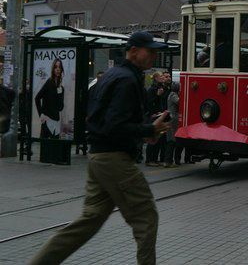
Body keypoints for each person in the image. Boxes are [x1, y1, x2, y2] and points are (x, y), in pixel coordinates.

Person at [29, 31, 172, 265]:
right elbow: (115, 125)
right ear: (134, 51)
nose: (154, 56)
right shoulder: (127, 79)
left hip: (98, 157)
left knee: (89, 219)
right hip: (115, 160)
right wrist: (149, 130)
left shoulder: (111, 75)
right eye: (150, 51)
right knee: (146, 218)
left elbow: (102, 119)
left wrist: (145, 131)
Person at [34, 58, 65, 139]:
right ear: (53, 69)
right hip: (47, 121)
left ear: (61, 69)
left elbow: (60, 108)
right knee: (45, 147)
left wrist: (59, 93)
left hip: (56, 121)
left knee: (54, 148)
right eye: (56, 67)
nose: (58, 69)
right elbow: (37, 98)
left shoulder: (61, 87)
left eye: (59, 67)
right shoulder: (49, 82)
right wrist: (41, 114)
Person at [145, 72, 168, 166]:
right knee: (152, 137)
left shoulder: (161, 88)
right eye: (160, 76)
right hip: (153, 116)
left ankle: (154, 158)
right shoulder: (152, 89)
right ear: (155, 78)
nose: (162, 77)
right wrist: (158, 95)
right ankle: (149, 160)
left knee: (158, 139)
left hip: (159, 114)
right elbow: (149, 103)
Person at [164, 81, 180, 167]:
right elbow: (179, 102)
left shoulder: (172, 94)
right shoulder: (173, 95)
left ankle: (169, 161)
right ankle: (168, 161)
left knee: (171, 140)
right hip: (172, 120)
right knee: (171, 140)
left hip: (172, 119)